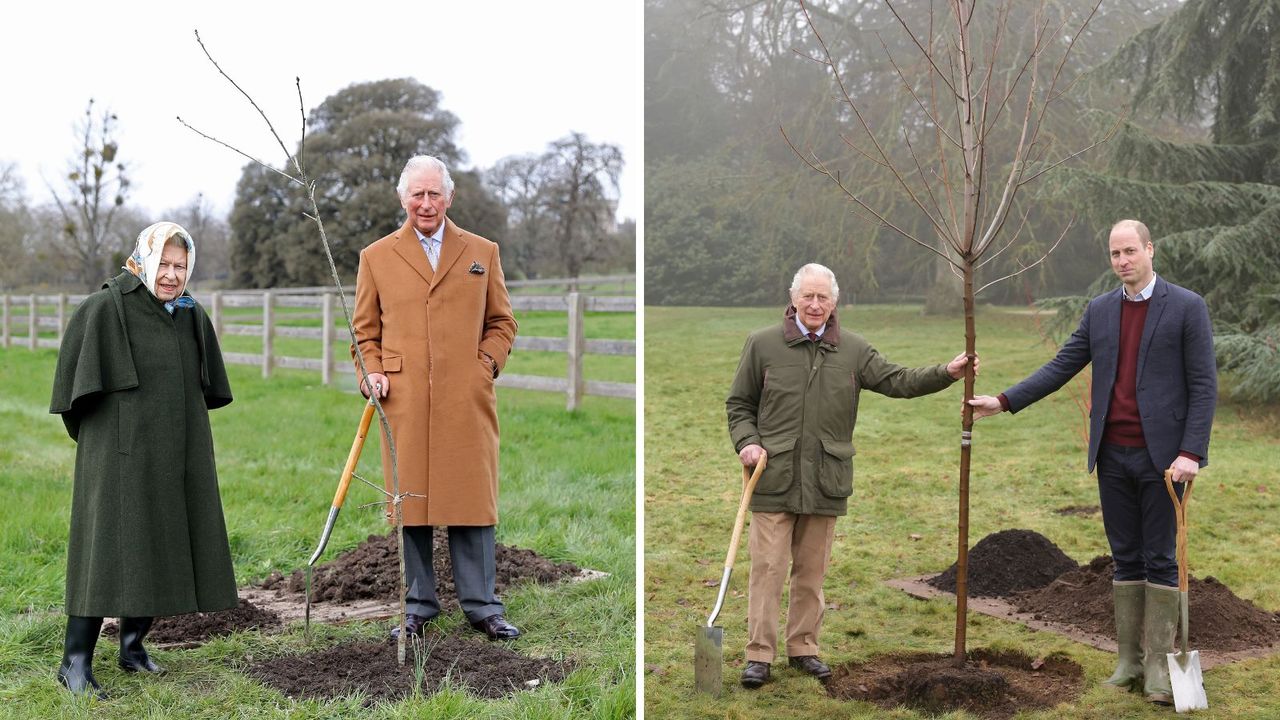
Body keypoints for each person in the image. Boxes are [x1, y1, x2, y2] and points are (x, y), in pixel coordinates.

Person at [968, 219, 1217, 705]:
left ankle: (1160, 668)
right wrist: (1005, 400)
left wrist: (1191, 453)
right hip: (1111, 454)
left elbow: (1204, 386)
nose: (1122, 261)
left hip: (1166, 461)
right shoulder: (1101, 311)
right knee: (1124, 556)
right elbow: (1063, 365)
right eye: (1114, 254)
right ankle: (1127, 662)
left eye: (1130, 251)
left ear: (1150, 249)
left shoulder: (1187, 307)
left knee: (1161, 557)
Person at [726, 263, 975, 689]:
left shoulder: (855, 350)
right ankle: (759, 656)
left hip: (827, 478)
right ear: (793, 298)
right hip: (773, 477)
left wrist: (946, 373)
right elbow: (739, 404)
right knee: (767, 569)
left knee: (812, 571)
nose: (815, 304)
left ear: (835, 302)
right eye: (808, 296)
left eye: (823, 297)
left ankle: (803, 648)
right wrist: (747, 441)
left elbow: (898, 380)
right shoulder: (762, 345)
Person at [49, 222, 236, 698]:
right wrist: (108, 443)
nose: (172, 275)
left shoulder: (189, 315)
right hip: (118, 452)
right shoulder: (104, 308)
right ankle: (74, 662)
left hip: (176, 449)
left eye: (181, 266)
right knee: (104, 549)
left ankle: (132, 647)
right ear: (145, 259)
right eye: (165, 264)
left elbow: (208, 385)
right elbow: (73, 397)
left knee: (161, 539)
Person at [352, 155, 520, 641]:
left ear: (449, 197)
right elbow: (364, 333)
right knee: (412, 501)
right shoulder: (377, 256)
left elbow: (502, 322)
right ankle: (417, 606)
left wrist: (484, 365)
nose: (426, 203)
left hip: (465, 398)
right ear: (403, 199)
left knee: (471, 498)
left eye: (434, 194)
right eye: (417, 195)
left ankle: (483, 606)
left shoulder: (481, 252)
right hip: (402, 400)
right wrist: (374, 374)